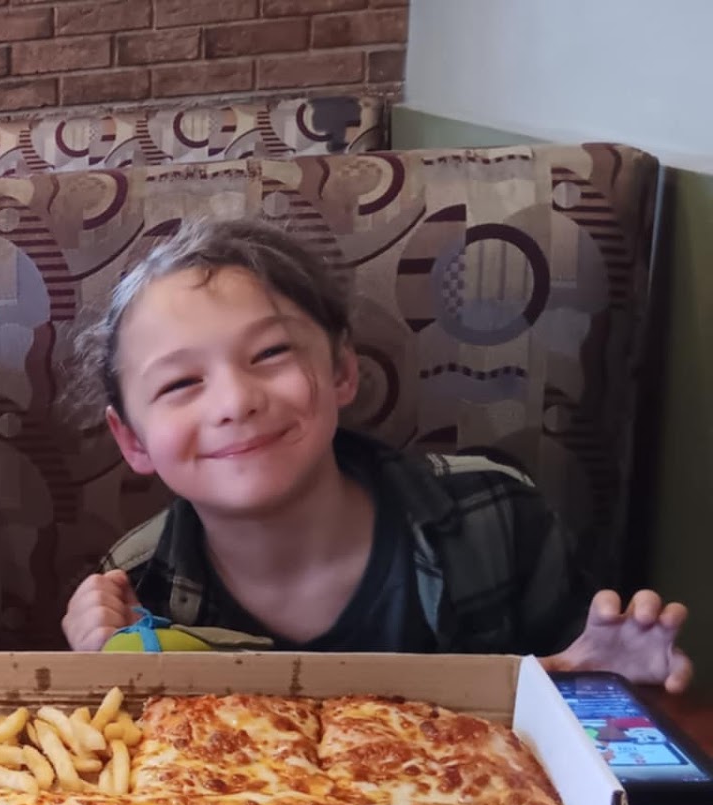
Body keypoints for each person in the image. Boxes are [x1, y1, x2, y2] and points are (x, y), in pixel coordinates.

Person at [60, 217, 692, 693]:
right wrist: (98, 674)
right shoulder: (136, 587)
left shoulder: (497, 514)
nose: (235, 401)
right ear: (132, 439)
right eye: (180, 383)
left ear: (342, 370)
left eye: (271, 353)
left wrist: (606, 685)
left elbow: (578, 693)